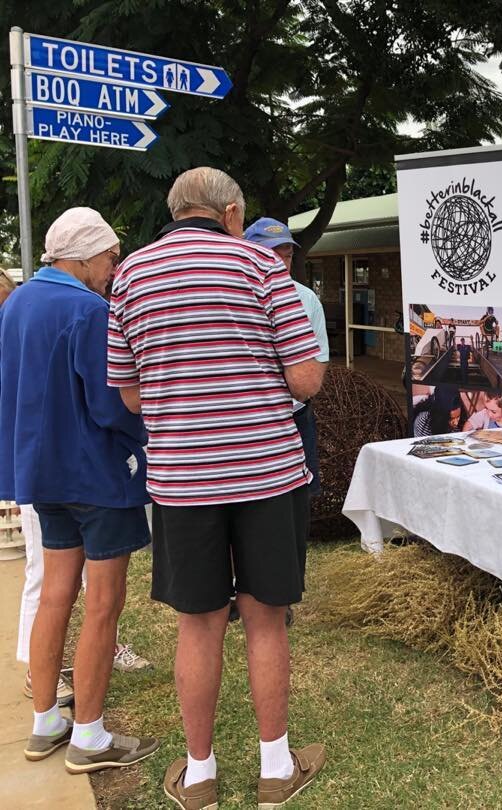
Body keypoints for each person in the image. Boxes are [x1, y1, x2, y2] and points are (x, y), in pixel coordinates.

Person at [107, 168, 327, 809]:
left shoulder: (131, 276)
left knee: (198, 627)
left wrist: (184, 401)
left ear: (177, 212)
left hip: (181, 480)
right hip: (266, 474)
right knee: (266, 619)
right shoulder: (262, 267)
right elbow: (308, 380)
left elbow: (127, 392)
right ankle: (275, 769)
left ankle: (199, 774)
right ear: (232, 212)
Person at [0, 207, 158, 771]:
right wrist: (150, 430)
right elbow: (110, 402)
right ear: (87, 255)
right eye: (112, 257)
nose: (114, 269)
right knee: (103, 605)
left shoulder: (17, 301)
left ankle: (46, 721)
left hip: (41, 473)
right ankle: (89, 736)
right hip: (96, 474)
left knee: (55, 595)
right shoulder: (89, 309)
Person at [244, 217, 329, 629]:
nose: (281, 258)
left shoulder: (305, 299)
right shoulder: (235, 293)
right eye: (271, 250)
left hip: (293, 418)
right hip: (246, 424)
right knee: (241, 508)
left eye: (287, 251)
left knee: (295, 507)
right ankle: (234, 589)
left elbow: (313, 372)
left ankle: (285, 591)